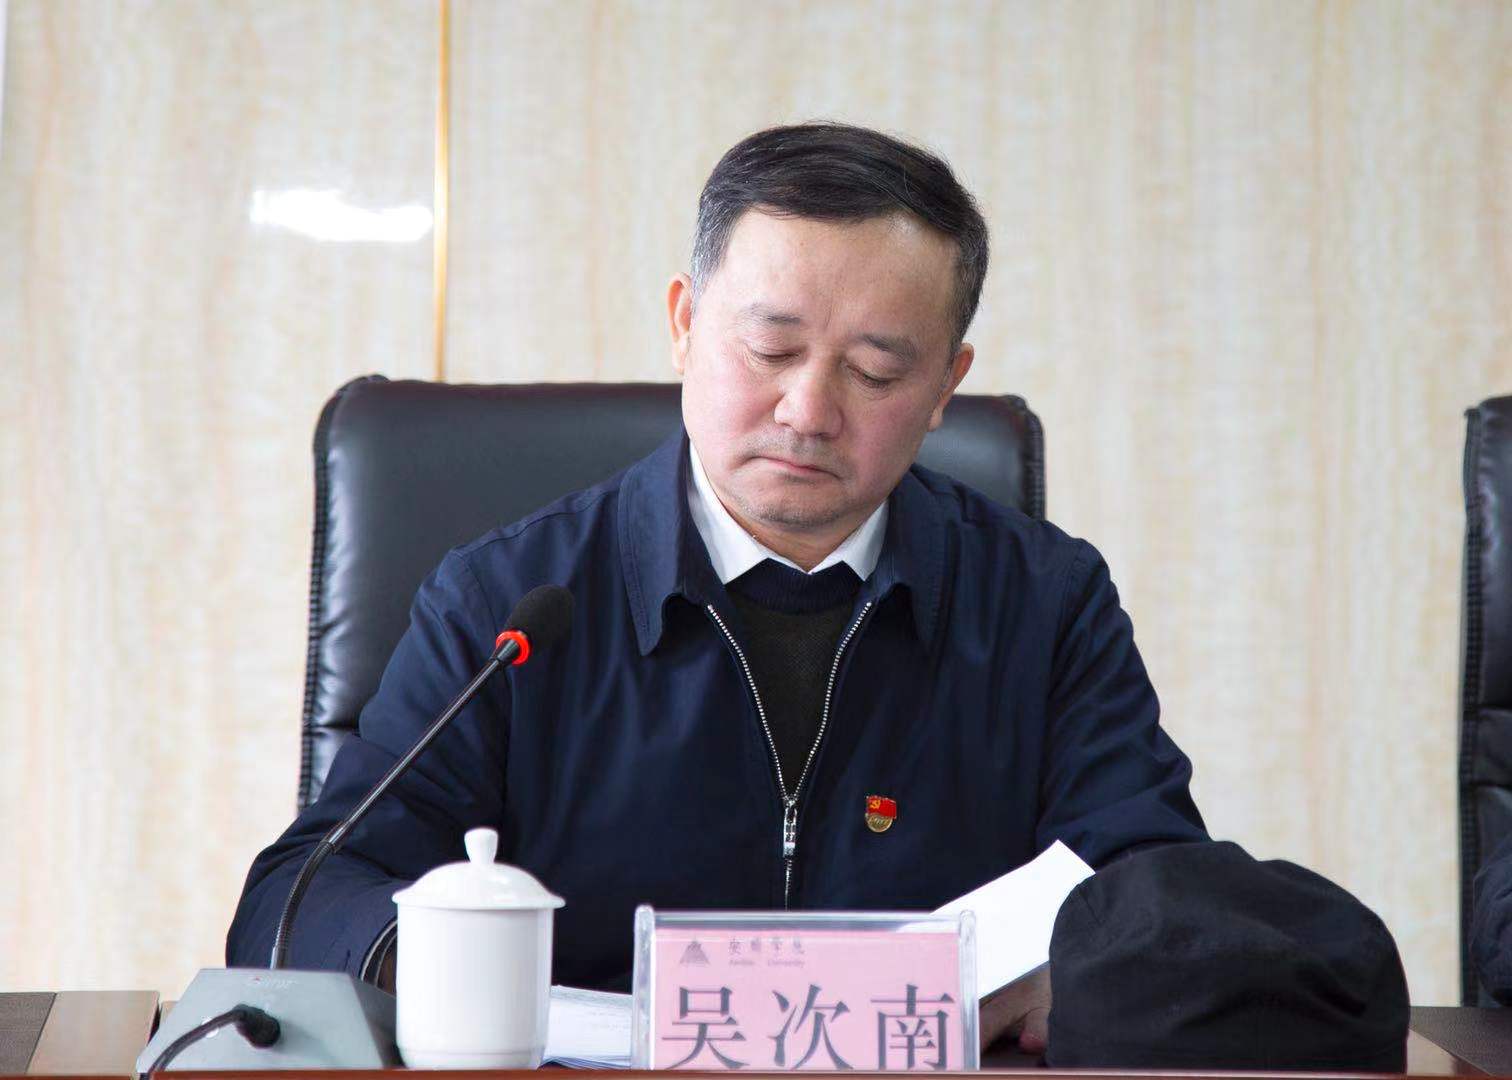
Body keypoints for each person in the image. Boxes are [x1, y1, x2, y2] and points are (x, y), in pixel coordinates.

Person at [227, 122, 1207, 1049]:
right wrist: (438, 964)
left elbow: (1159, 887)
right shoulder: (511, 603)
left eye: (875, 371)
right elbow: (297, 901)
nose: (808, 410)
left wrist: (1088, 967)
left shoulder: (1044, 604)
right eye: (770, 349)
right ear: (685, 325)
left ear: (946, 385)